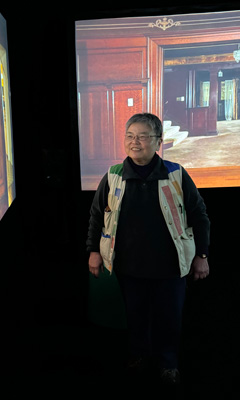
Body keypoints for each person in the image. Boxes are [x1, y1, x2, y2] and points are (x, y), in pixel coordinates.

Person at [87, 113, 210, 384]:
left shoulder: (175, 174)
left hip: (170, 266)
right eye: (130, 136)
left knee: (169, 318)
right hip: (129, 267)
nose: (135, 142)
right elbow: (97, 216)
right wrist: (94, 251)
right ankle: (139, 356)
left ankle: (168, 364)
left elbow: (199, 215)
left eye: (143, 136)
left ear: (158, 142)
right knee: (136, 317)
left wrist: (202, 255)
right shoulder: (114, 175)